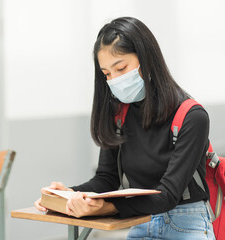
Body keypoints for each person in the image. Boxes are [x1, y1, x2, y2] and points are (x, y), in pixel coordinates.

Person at [35, 17, 216, 239]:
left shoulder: (192, 116)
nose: (114, 80)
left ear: (146, 58)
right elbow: (106, 179)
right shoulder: (119, 115)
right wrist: (70, 194)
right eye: (107, 74)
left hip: (186, 223)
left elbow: (168, 195)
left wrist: (107, 207)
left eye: (121, 68)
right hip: (140, 221)